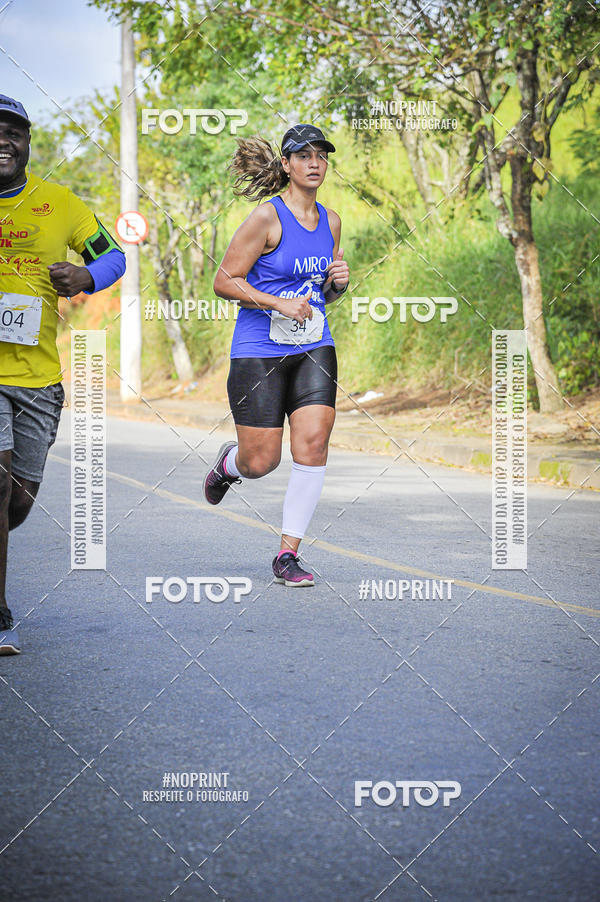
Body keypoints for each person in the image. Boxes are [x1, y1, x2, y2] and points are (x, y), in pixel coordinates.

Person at [0, 95, 126, 654]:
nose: (3, 140)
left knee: (17, 503)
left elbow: (113, 255)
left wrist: (85, 276)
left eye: (13, 132)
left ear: (28, 143)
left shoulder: (59, 202)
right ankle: (0, 613)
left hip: (38, 378)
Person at [205, 124, 349, 587]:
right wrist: (276, 302)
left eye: (321, 156)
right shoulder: (266, 218)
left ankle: (288, 554)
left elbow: (322, 293)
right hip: (258, 350)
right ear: (286, 165)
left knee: (314, 442)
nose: (314, 163)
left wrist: (337, 285)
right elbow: (225, 281)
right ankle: (230, 464)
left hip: (314, 345)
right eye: (303, 156)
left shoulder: (331, 221)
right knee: (261, 462)